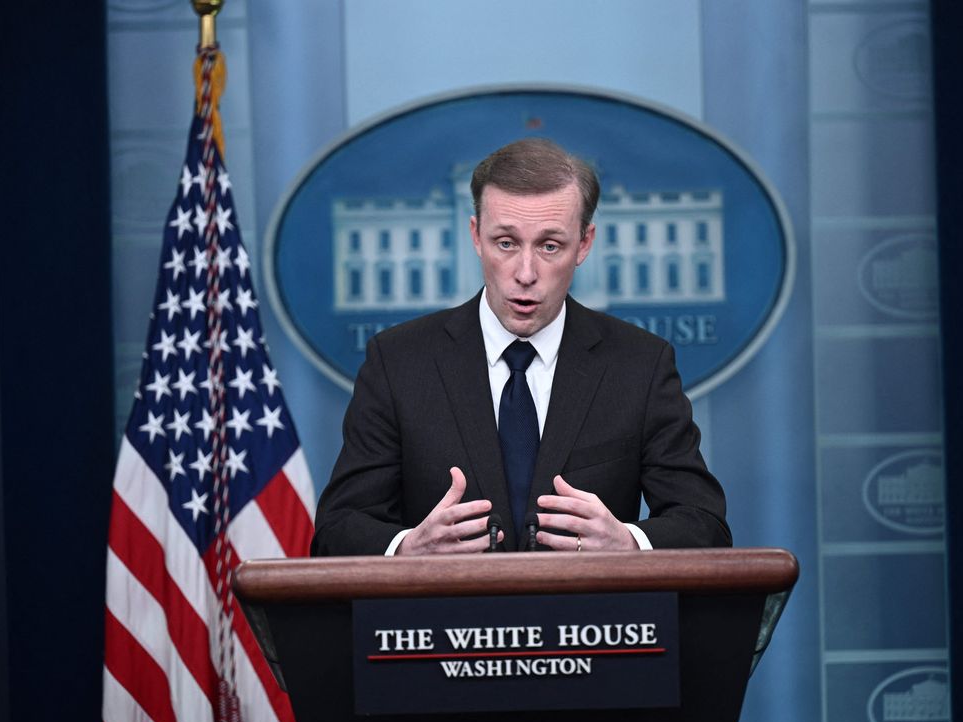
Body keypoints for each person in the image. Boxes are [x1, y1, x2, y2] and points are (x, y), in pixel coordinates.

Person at [311, 137, 730, 556]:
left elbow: (704, 524)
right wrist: (407, 548)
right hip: (445, 617)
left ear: (584, 244)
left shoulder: (640, 365)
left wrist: (629, 542)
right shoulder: (399, 362)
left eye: (550, 246)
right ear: (476, 236)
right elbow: (336, 530)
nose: (525, 273)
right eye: (506, 243)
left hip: (589, 619)